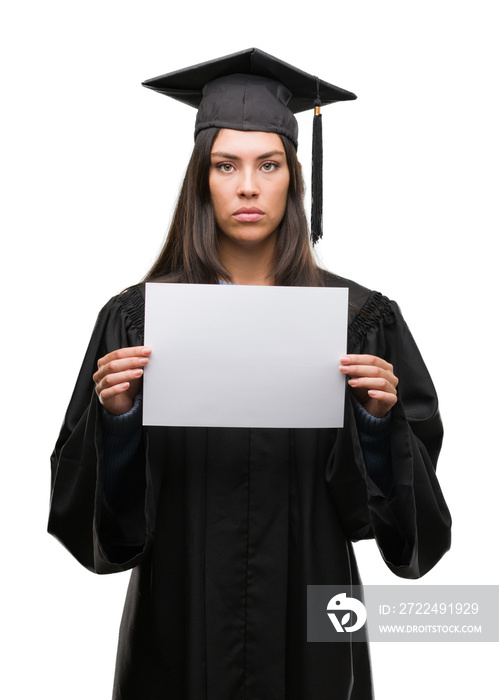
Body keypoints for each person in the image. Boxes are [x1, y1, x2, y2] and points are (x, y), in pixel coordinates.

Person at [49, 48, 451, 700]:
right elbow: (89, 518)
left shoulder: (360, 319)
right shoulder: (136, 319)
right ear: (201, 181)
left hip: (313, 602)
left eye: (268, 165)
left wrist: (378, 424)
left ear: (293, 176)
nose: (246, 186)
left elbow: (408, 520)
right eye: (225, 165)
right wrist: (118, 417)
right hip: (178, 610)